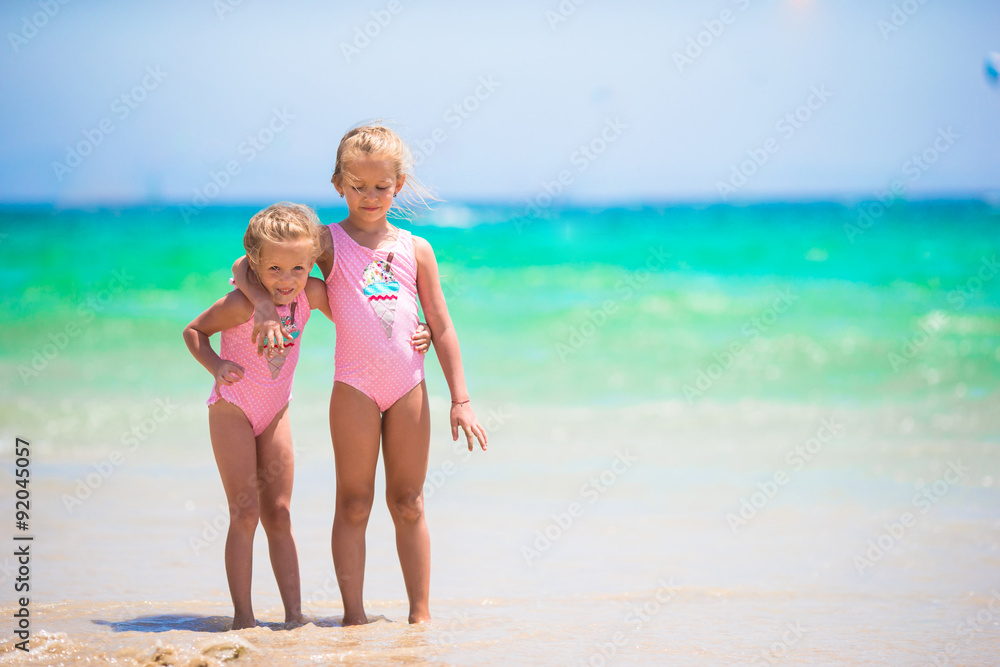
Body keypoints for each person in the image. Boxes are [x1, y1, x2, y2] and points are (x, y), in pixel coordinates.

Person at [233, 124, 487, 625]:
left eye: (381, 187)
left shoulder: (417, 248)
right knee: (353, 503)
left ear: (399, 184)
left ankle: (421, 618)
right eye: (357, 186)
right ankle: (354, 617)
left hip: (409, 385)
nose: (369, 197)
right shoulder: (325, 241)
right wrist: (263, 306)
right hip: (354, 386)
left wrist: (460, 397)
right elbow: (247, 264)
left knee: (409, 503)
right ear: (337, 184)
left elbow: (441, 321)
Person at [184, 202, 431, 629]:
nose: (287, 280)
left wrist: (413, 330)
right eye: (275, 269)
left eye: (298, 269)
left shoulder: (311, 295)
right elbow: (193, 331)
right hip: (233, 408)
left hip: (277, 411)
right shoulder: (240, 305)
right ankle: (243, 618)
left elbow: (362, 319)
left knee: (278, 513)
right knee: (245, 512)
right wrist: (216, 366)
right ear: (258, 265)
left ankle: (294, 619)